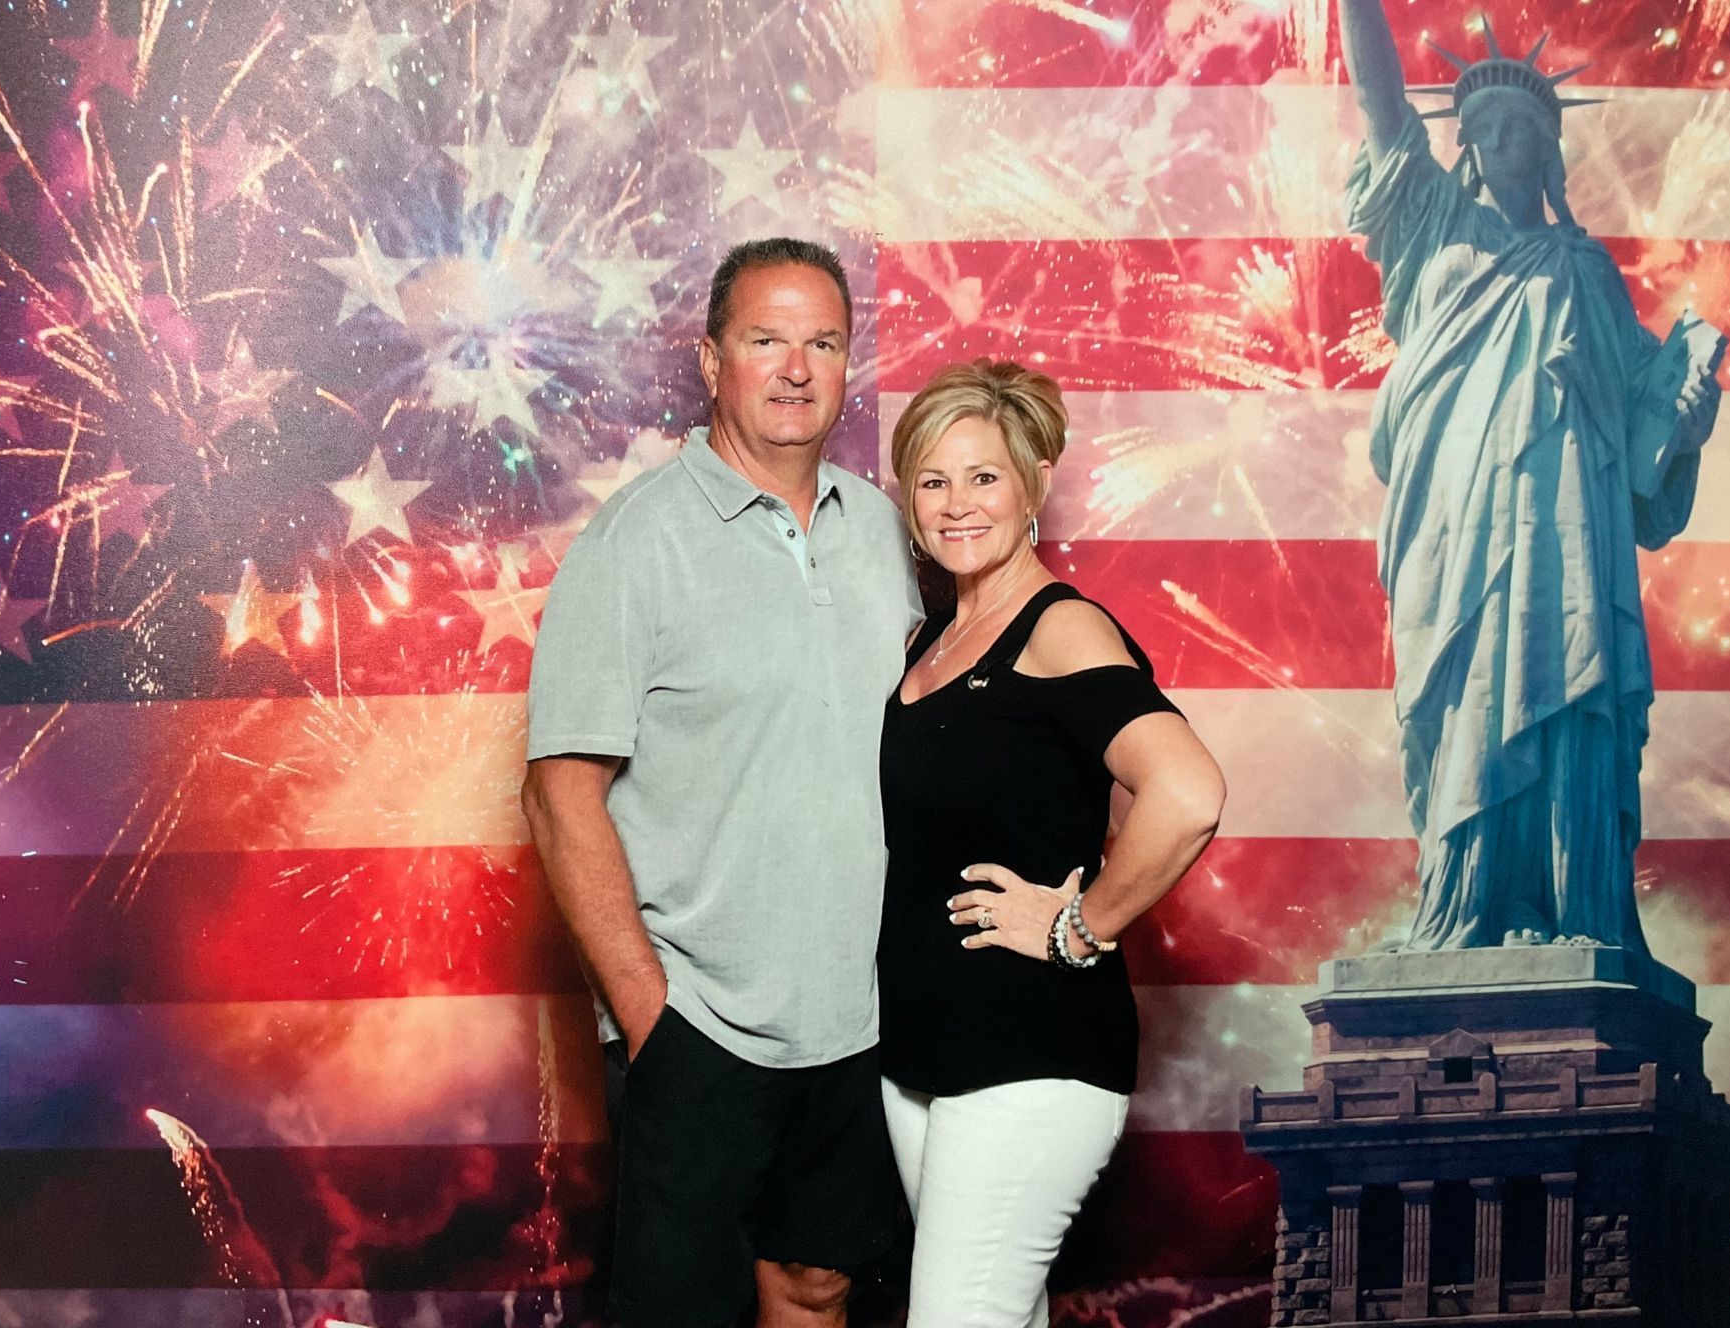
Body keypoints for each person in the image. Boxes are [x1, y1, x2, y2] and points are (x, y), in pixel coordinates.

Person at [520, 238, 922, 1328]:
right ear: (711, 360)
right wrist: (650, 1017)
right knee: (683, 1310)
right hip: (698, 1022)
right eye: (764, 340)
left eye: (822, 342)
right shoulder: (636, 540)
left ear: (847, 363)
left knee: (817, 1285)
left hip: (857, 1019)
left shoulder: (885, 534)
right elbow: (559, 794)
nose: (795, 368)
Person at [1315, 0, 1724, 951]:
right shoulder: (1435, 230)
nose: (1497, 142)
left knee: (1568, 687)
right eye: (1482, 130)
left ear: (1548, 150)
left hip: (1567, 531)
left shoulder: (1589, 274)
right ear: (1464, 149)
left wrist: (1687, 411)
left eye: (1517, 130)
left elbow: (1648, 435)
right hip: (1453, 524)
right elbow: (1383, 108)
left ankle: (1575, 908)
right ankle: (1465, 906)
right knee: (1459, 700)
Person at [877, 359, 1227, 1327]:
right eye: (933, 480)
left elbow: (1188, 793)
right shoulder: (931, 640)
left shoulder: (1061, 627)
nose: (957, 503)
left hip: (1030, 1056)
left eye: (984, 476)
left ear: (1033, 486)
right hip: (922, 1058)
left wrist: (1080, 925)